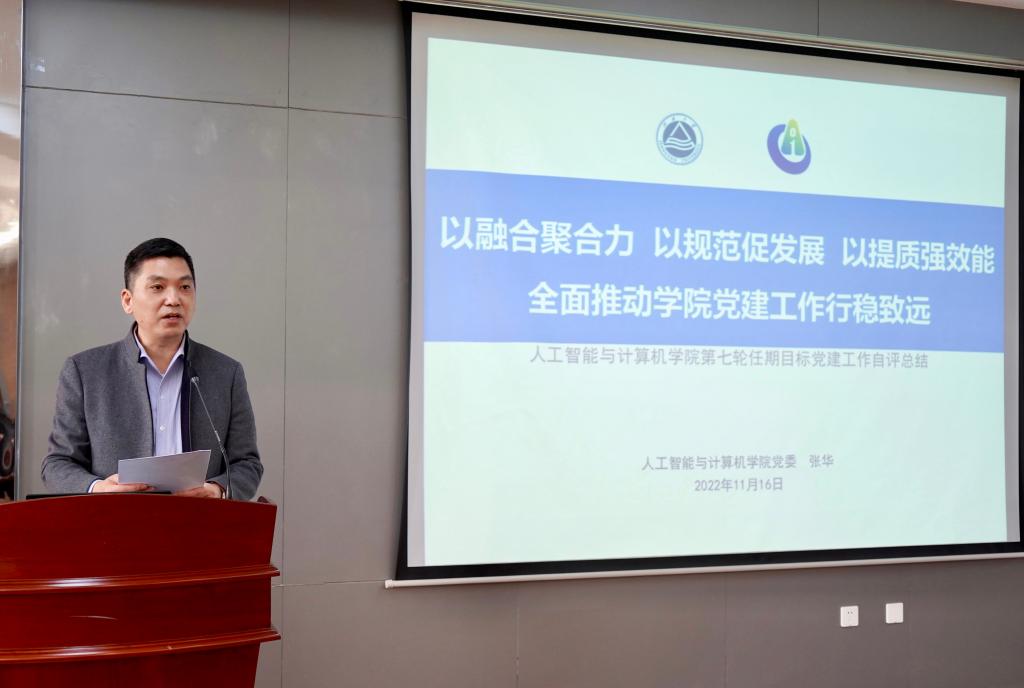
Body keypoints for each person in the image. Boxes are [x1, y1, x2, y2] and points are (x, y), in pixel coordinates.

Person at [41, 238, 262, 500]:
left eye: (185, 287)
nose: (174, 299)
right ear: (128, 301)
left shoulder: (226, 373)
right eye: (157, 287)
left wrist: (217, 490)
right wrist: (99, 489)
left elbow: (247, 464)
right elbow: (57, 464)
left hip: (197, 522)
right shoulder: (85, 372)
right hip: (115, 521)